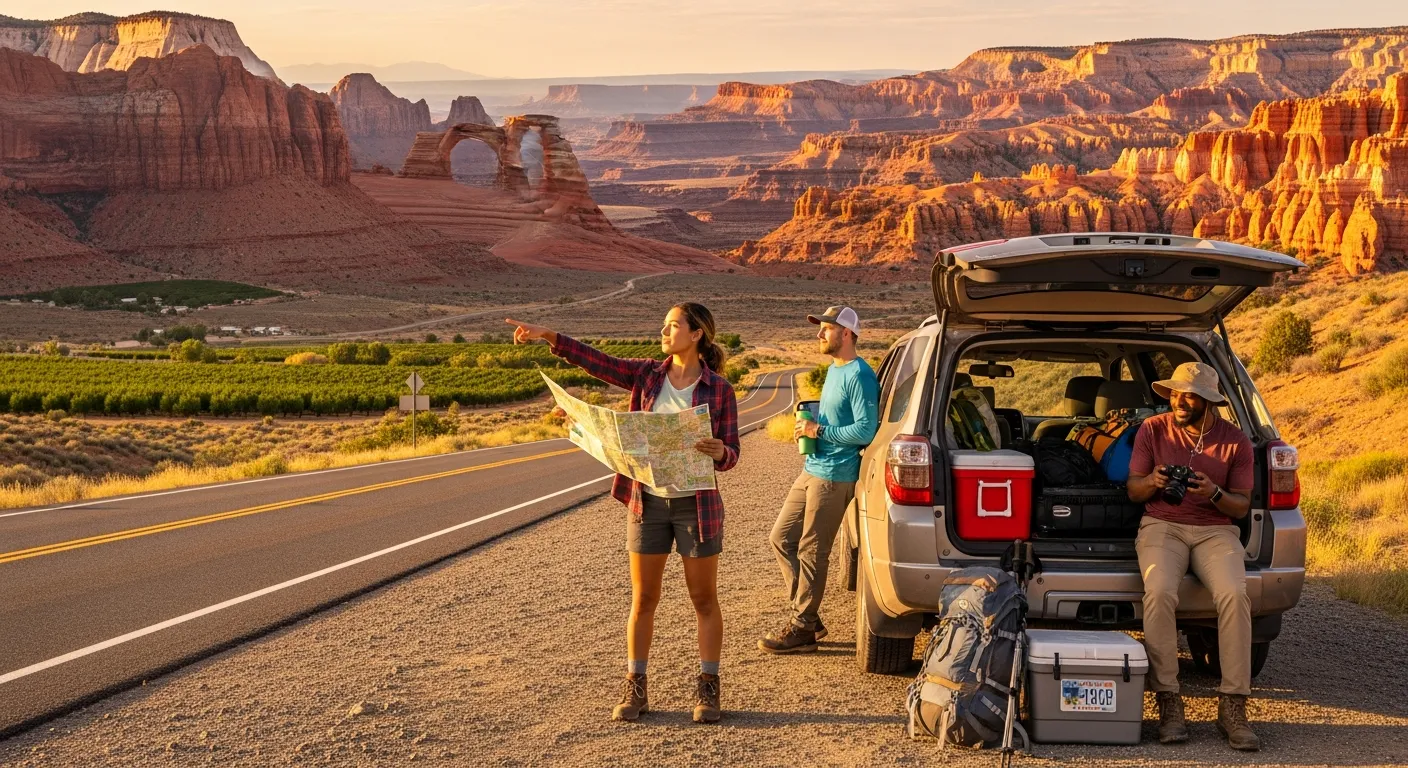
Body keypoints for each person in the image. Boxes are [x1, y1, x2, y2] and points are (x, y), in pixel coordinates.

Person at [505, 305, 739, 725]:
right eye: (664, 324)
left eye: (673, 325)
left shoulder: (719, 389)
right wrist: (549, 337)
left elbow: (732, 451)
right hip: (645, 502)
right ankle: (636, 685)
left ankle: (708, 687)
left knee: (703, 599)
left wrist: (722, 453)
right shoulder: (648, 375)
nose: (664, 331)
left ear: (697, 333)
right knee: (643, 599)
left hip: (697, 505)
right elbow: (599, 362)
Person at [1126, 362, 1259, 751]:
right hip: (1162, 524)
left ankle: (1233, 705)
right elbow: (1134, 490)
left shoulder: (1235, 441)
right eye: (1175, 392)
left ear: (1208, 400)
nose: (1180, 400)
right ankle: (1169, 700)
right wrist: (1153, 481)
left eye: (1190, 394)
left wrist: (1213, 492)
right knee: (1160, 591)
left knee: (1235, 594)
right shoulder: (1153, 428)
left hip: (1215, 529)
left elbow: (1239, 507)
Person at [760, 306, 878, 654]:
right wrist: (810, 424)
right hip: (813, 467)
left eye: (826, 328)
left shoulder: (859, 375)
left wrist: (819, 429)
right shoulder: (834, 369)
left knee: (813, 551)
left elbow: (865, 430)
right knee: (781, 538)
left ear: (846, 333)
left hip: (836, 475)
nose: (819, 334)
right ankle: (809, 616)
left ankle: (801, 628)